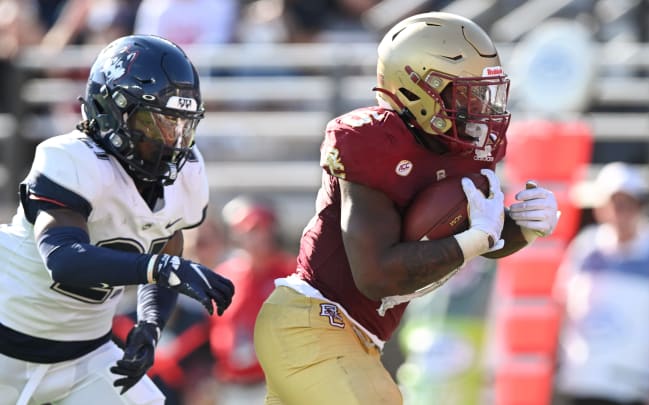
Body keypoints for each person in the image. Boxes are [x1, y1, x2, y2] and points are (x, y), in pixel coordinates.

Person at [253, 12, 560, 405]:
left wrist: (522, 227)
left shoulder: (465, 149)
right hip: (311, 322)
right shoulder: (373, 142)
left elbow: (474, 235)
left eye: (484, 93)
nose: (480, 107)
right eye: (467, 93)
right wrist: (476, 240)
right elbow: (376, 274)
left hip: (354, 339)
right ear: (420, 88)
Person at [0, 34, 234, 404]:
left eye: (180, 125)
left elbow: (166, 243)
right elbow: (65, 260)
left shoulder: (187, 172)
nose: (171, 140)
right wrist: (163, 268)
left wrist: (151, 324)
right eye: (154, 123)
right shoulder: (70, 158)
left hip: (86, 355)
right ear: (111, 110)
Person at [554, 162, 649, 405]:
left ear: (640, 206)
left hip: (633, 389)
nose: (620, 212)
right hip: (582, 383)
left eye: (628, 203)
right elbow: (561, 307)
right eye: (614, 203)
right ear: (600, 208)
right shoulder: (584, 247)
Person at [207, 196, 296, 405]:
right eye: (249, 230)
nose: (256, 237)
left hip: (275, 384)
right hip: (231, 385)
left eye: (261, 229)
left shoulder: (290, 274)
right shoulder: (225, 275)